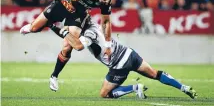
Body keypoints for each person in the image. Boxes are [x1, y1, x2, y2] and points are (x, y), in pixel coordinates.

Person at [48, 21, 198, 99]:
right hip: (129, 53)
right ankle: (184, 87)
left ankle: (134, 88)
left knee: (104, 94)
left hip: (119, 65)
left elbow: (78, 46)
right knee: (155, 73)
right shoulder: (93, 25)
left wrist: (59, 30)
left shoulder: (89, 34)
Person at [20, 0, 117, 88]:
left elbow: (105, 22)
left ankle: (54, 76)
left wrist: (108, 45)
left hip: (78, 14)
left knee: (67, 46)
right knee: (34, 28)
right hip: (63, 3)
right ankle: (37, 26)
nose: (108, 1)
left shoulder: (105, 2)